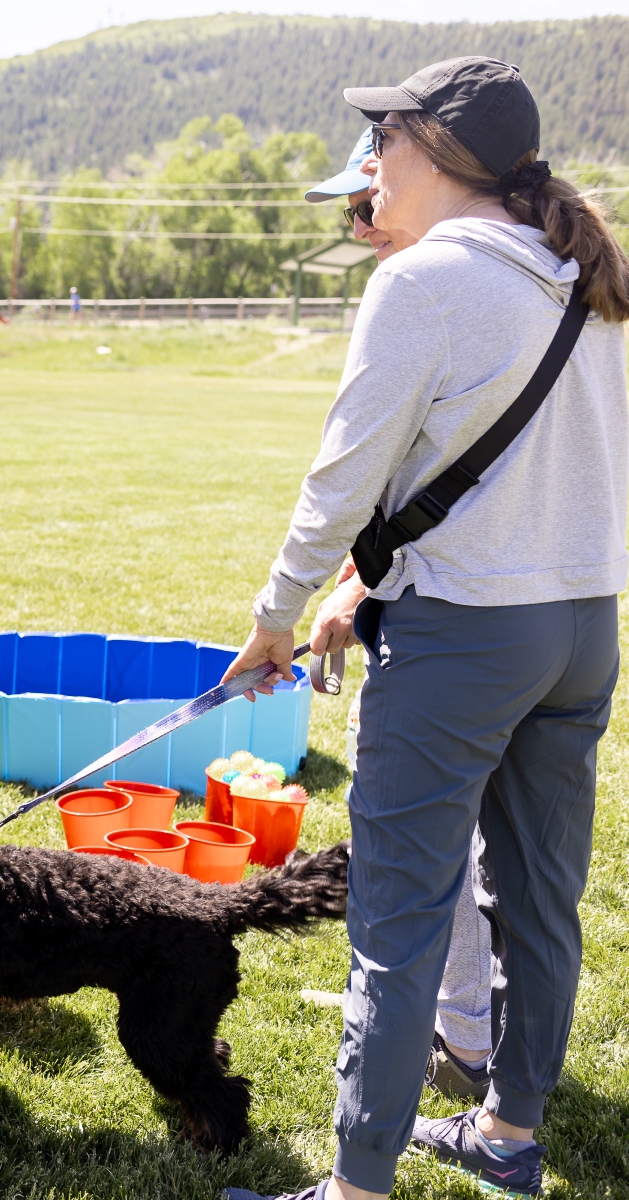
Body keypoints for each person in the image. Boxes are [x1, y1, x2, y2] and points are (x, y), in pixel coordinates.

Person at [221, 57, 629, 1200]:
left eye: (384, 137)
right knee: (540, 905)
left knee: (397, 923)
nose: (370, 162)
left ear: (439, 151)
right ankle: (507, 1135)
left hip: (463, 636)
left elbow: (341, 480)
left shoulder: (423, 282)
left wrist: (276, 617)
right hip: (583, 629)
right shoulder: (583, 272)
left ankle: (356, 1185)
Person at [306, 129, 497, 1103]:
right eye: (352, 207)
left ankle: (452, 1037)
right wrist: (355, 585)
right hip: (464, 610)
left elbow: (379, 485)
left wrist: (308, 598)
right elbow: (411, 488)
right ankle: (458, 1026)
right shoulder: (461, 291)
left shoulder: (425, 295)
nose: (359, 222)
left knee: (422, 841)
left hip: (451, 623)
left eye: (367, 200)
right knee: (463, 841)